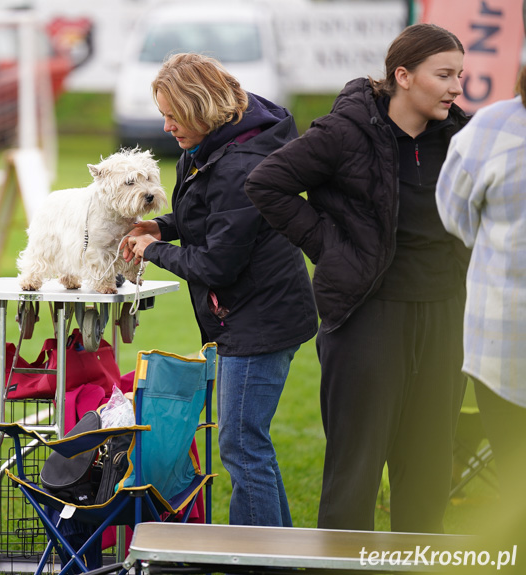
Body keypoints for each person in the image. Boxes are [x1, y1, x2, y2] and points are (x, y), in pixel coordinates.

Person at [245, 23, 470, 533]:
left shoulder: (463, 137)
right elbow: (267, 183)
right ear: (404, 76)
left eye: (460, 74)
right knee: (356, 471)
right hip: (368, 315)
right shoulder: (344, 132)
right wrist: (329, 248)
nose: (457, 87)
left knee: (430, 469)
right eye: (445, 74)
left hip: (446, 313)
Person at [121, 53, 318, 527]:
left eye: (172, 115)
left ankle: (258, 559)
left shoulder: (240, 164)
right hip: (244, 314)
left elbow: (216, 263)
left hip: (261, 320)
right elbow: (207, 220)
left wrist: (151, 250)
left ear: (201, 107)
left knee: (242, 444)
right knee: (247, 443)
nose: (166, 126)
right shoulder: (209, 145)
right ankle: (278, 555)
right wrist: (162, 227)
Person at [436, 66, 526, 516]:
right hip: (504, 344)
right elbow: (455, 217)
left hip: (501, 335)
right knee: (515, 482)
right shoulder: (489, 128)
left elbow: (458, 221)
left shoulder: (491, 127)